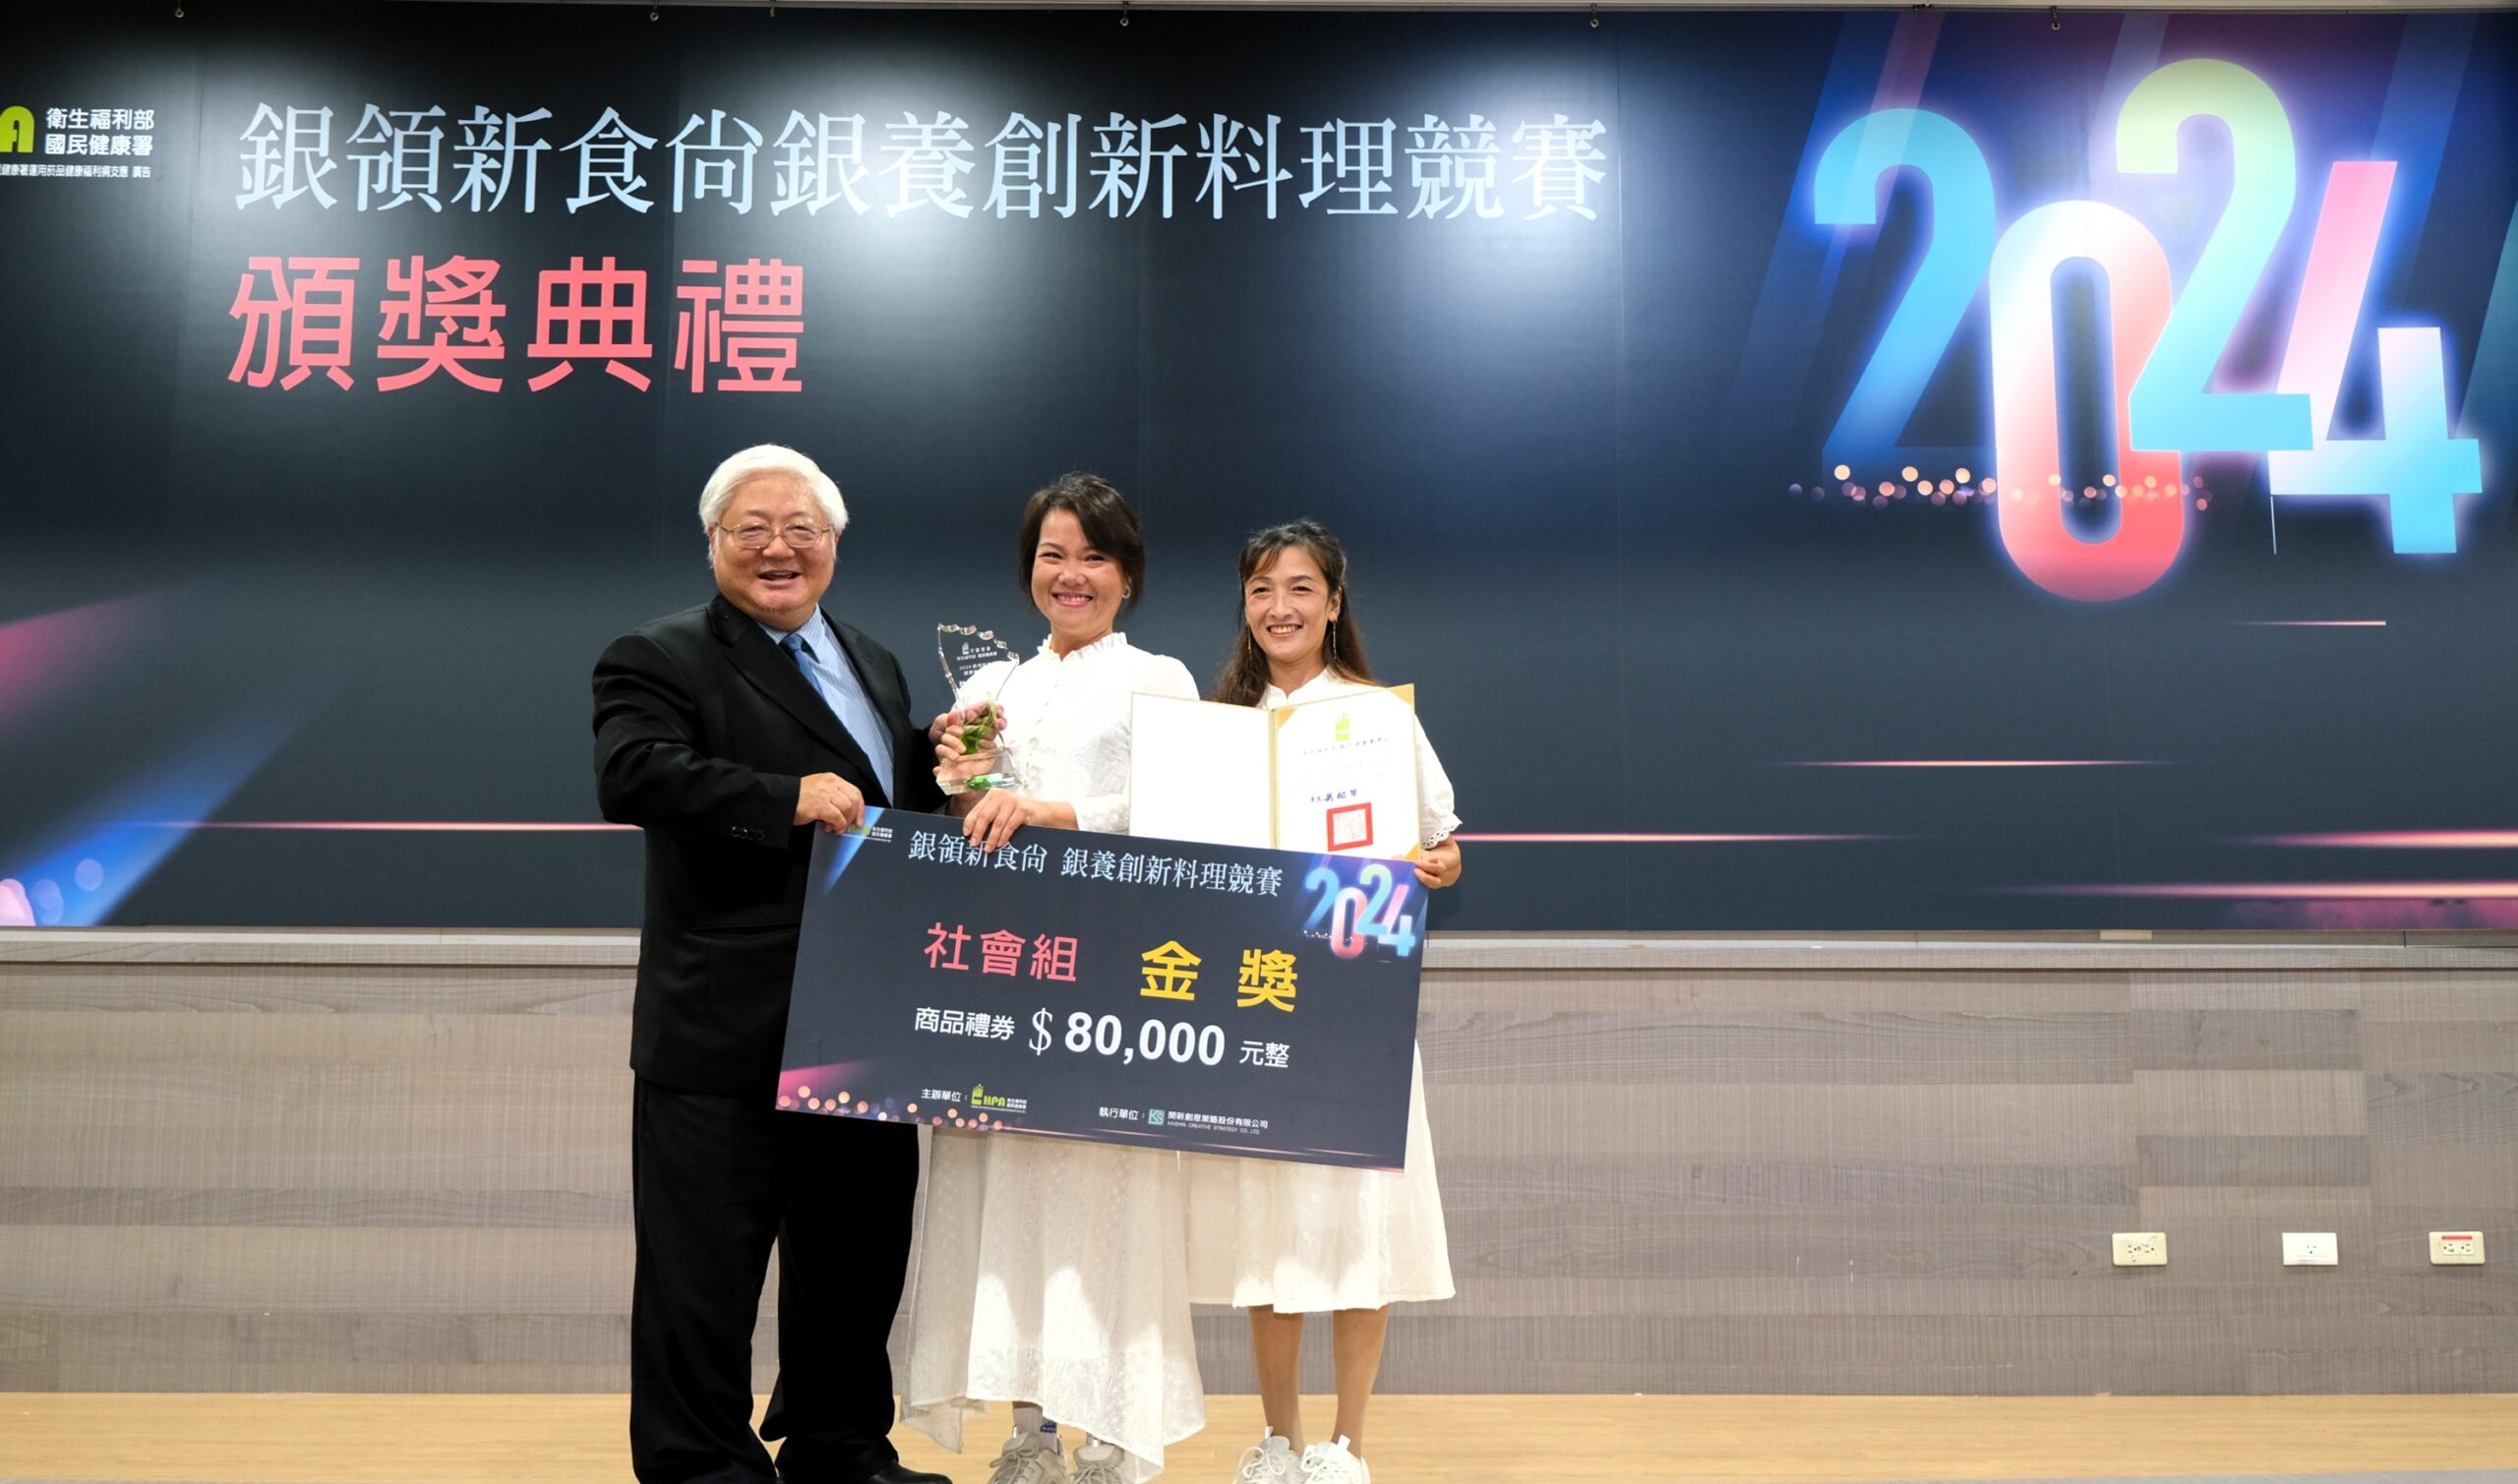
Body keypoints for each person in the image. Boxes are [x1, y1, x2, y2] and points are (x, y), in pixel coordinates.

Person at [593, 445, 949, 1484]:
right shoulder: (657, 655)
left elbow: (884, 801)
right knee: (700, 1276)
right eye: (752, 528)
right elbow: (633, 773)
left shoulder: (871, 659)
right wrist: (781, 797)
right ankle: (700, 1464)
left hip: (864, 1018)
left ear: (834, 543)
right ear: (714, 543)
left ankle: (841, 1449)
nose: (778, 547)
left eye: (802, 528)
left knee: (855, 1259)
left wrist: (943, 759)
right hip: (723, 1028)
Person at [899, 473, 1206, 1484]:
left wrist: (1050, 812)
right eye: (1052, 555)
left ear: (1128, 575)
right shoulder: (994, 685)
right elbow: (970, 819)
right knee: (1008, 1199)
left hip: (1115, 973)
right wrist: (961, 776)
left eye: (1093, 557)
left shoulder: (1160, 678)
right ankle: (1030, 1432)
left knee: (1107, 1195)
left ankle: (1113, 1431)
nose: (1071, 575)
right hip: (1004, 976)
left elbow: (1182, 815)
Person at [1187, 520, 1463, 1484]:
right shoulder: (1217, 727)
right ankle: (1277, 1438)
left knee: (1358, 1223)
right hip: (1258, 1003)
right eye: (1261, 589)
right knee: (1268, 1227)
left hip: (1356, 1002)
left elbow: (1442, 842)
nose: (1281, 607)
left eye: (1300, 587)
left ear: (1334, 602)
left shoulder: (1378, 719)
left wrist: (1438, 863)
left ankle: (1347, 1446)